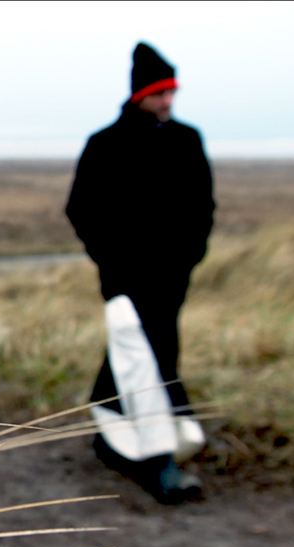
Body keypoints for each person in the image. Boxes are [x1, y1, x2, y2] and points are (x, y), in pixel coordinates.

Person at [64, 42, 216, 504]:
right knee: (148, 359)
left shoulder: (187, 140)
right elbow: (80, 209)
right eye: (159, 93)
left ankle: (110, 436)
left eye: (172, 92)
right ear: (138, 95)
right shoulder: (105, 144)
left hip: (173, 278)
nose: (168, 101)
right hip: (124, 281)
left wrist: (192, 254)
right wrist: (111, 264)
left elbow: (203, 205)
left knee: (142, 354)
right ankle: (159, 463)